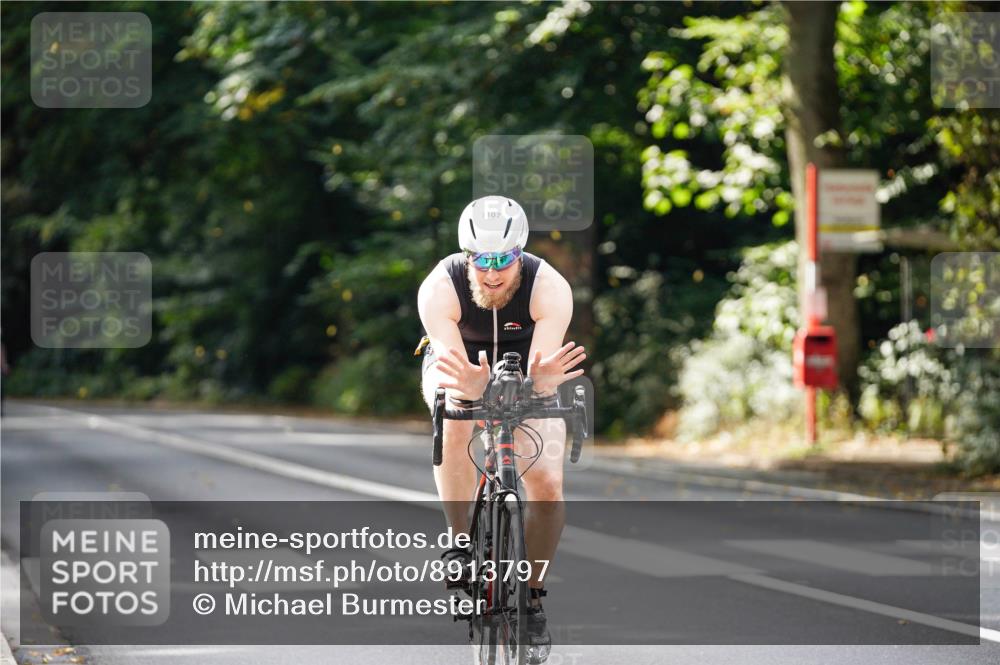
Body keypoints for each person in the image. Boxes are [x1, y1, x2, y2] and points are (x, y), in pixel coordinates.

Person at [416, 195, 585, 663]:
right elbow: (454, 368)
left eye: (504, 260)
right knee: (455, 408)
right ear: (466, 256)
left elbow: (540, 372)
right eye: (481, 260)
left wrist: (541, 384)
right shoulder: (440, 287)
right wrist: (471, 388)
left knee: (548, 486)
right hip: (459, 363)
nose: (492, 272)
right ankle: (459, 540)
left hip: (528, 368)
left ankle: (530, 599)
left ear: (521, 253)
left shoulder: (549, 287)